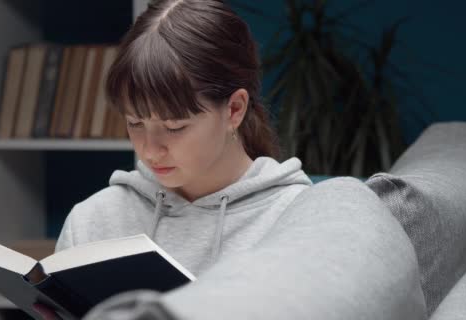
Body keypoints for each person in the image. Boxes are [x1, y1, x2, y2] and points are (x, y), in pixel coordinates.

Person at [34, 0, 313, 319]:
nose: (150, 150)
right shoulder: (94, 221)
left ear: (234, 109)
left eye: (174, 127)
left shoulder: (298, 221)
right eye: (135, 123)